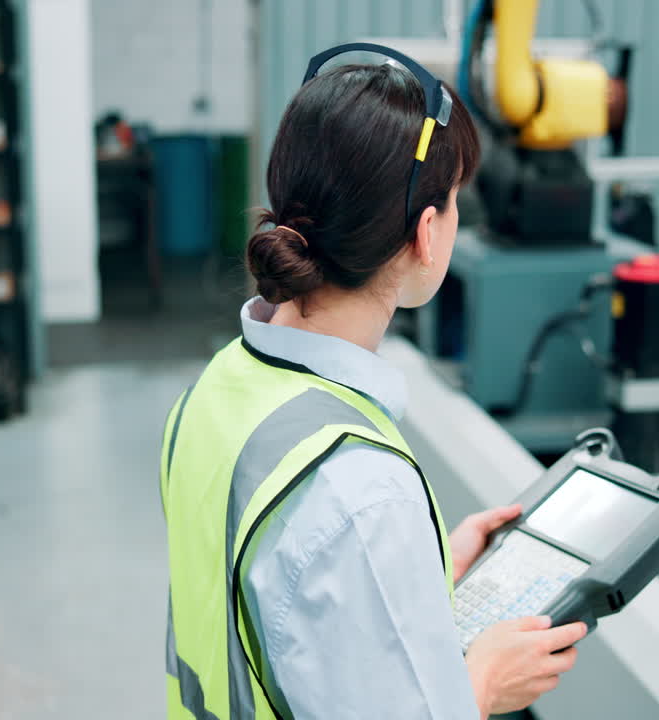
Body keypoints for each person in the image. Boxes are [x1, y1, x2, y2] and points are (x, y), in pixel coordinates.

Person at [160, 45, 586, 720]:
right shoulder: (360, 492)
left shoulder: (215, 390)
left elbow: (276, 608)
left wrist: (423, 575)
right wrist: (482, 687)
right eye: (451, 203)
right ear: (426, 233)